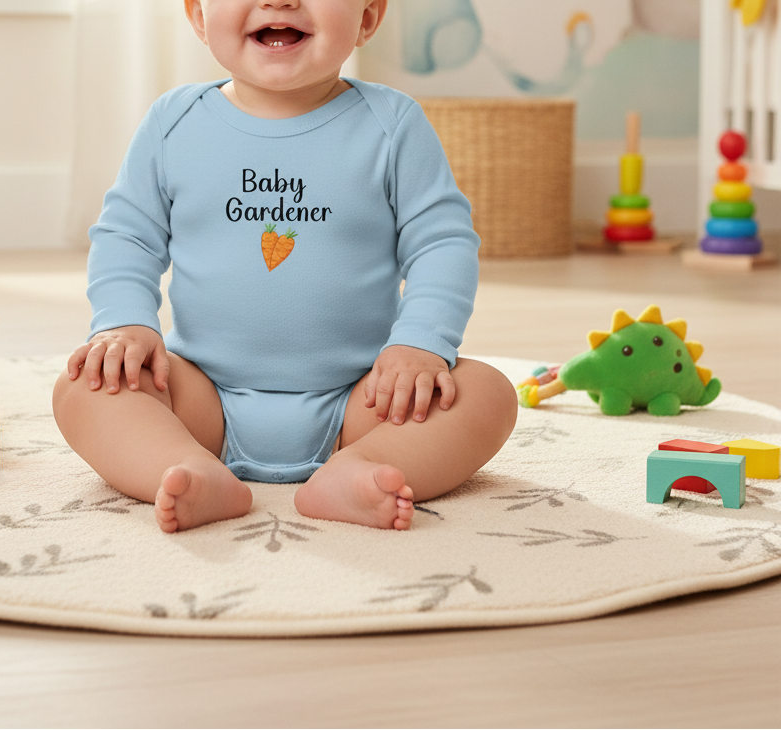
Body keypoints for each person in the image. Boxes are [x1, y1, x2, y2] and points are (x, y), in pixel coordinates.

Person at [52, 0, 517, 533]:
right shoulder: (172, 123)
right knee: (84, 385)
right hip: (201, 398)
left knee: (487, 394)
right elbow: (126, 236)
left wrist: (420, 343)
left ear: (367, 17)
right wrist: (125, 322)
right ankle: (182, 467)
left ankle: (359, 470)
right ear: (199, 16)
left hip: (364, 402)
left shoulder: (393, 125)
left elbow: (441, 243)